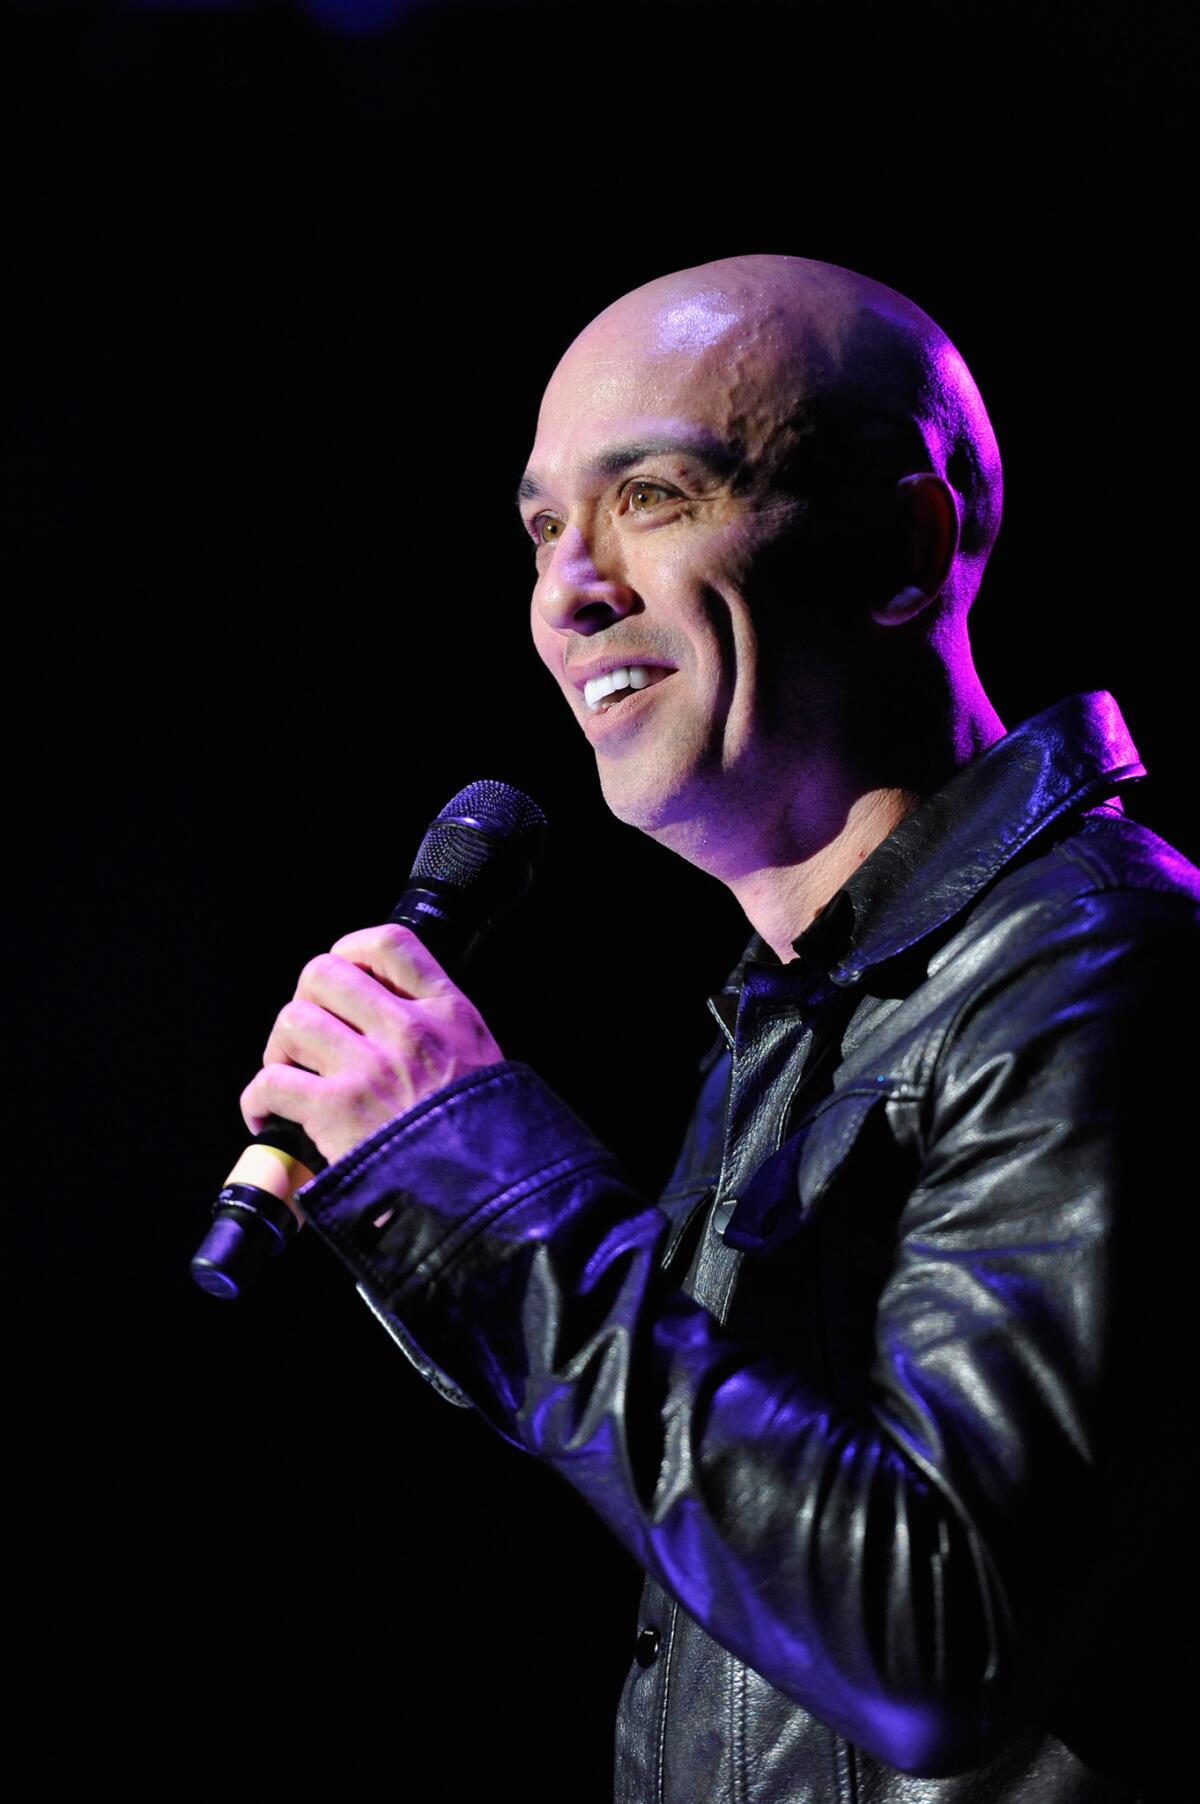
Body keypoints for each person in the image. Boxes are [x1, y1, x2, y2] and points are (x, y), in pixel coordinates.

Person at [240, 255, 1197, 1801]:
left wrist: (494, 1191)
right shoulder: (796, 1016)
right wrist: (423, 1199)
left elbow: (939, 1635)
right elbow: (748, 1521)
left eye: (659, 496)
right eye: (546, 526)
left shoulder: (1099, 965)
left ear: (906, 545)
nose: (572, 586)